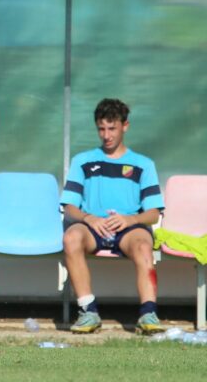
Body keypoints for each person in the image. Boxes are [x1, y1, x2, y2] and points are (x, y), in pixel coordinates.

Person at [61, 98, 165, 335]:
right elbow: (69, 207)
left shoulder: (143, 165)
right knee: (71, 238)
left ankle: (148, 314)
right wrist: (89, 219)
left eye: (112, 128)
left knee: (142, 245)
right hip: (92, 228)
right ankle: (88, 311)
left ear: (125, 126)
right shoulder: (82, 161)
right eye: (101, 128)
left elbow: (153, 214)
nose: (106, 135)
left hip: (130, 228)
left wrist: (130, 220)